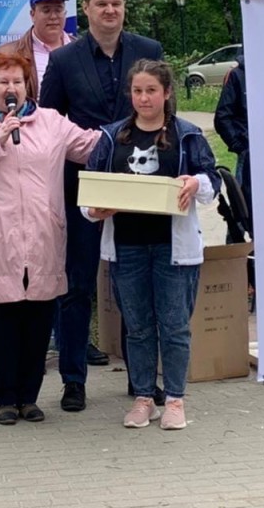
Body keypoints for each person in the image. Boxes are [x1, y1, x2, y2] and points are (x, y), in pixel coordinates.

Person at [0, 49, 100, 425]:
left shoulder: (50, 122)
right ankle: (6, 399)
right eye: (3, 82)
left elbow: (89, 145)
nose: (11, 88)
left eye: (18, 81)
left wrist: (135, 128)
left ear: (28, 86)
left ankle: (29, 398)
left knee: (37, 322)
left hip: (43, 237)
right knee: (1, 323)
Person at [39, 0, 163, 412]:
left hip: (138, 185)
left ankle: (140, 380)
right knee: (77, 287)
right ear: (87, 9)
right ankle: (74, 381)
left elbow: (163, 112)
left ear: (124, 6)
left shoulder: (148, 51)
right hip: (83, 187)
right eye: (101, 4)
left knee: (135, 285)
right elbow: (49, 123)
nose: (110, 10)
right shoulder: (64, 60)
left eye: (116, 3)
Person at [83, 59, 220, 430]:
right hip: (126, 247)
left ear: (167, 93)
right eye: (137, 91)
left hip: (172, 249)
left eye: (151, 91)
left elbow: (212, 182)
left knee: (174, 326)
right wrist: (94, 210)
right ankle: (144, 398)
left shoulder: (188, 135)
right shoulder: (111, 137)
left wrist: (196, 183)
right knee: (138, 327)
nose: (144, 98)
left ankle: (174, 399)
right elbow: (90, 188)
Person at [0, 0, 73, 100]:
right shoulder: (6, 54)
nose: (53, 16)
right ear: (32, 15)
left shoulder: (84, 51)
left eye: (58, 10)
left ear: (65, 13)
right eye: (46, 10)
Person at [214, 54, 253, 235]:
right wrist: (239, 145)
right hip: (248, 153)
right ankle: (236, 249)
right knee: (241, 213)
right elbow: (222, 117)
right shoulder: (238, 75)